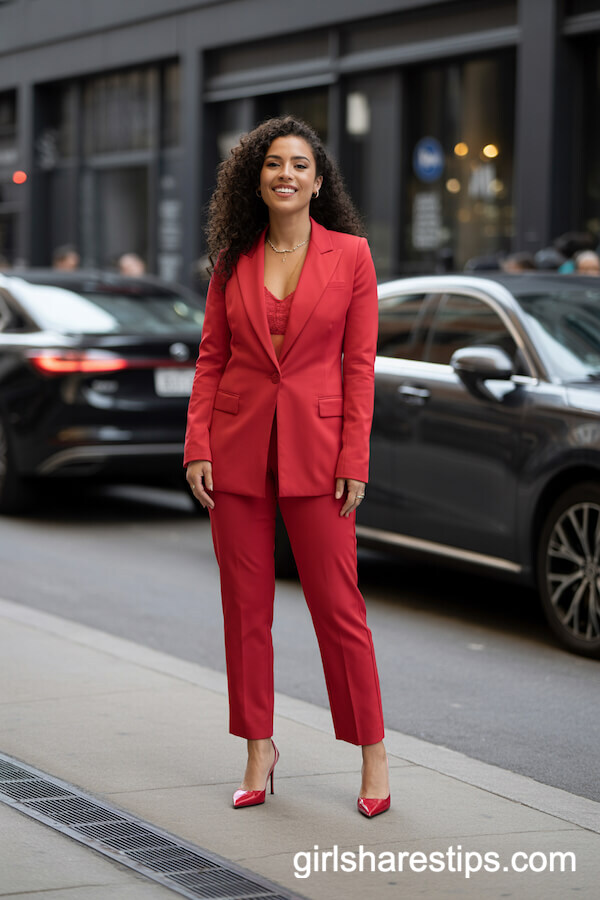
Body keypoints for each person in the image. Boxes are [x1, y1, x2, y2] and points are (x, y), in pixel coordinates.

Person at [184, 116, 390, 818]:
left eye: (299, 164)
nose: (286, 174)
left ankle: (372, 752)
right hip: (238, 450)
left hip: (320, 454)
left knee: (339, 610)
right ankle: (257, 747)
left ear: (317, 180)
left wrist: (354, 457)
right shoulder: (231, 260)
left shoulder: (353, 257)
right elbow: (212, 359)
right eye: (274, 163)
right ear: (256, 176)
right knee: (245, 612)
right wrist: (198, 446)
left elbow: (359, 367)